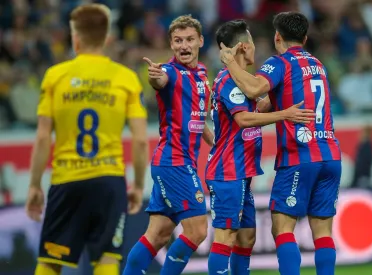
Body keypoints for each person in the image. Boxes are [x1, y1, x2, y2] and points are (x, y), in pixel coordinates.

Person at [25, 4, 148, 275]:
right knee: (106, 260)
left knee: (50, 261)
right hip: (109, 180)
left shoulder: (56, 76)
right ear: (106, 38)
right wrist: (138, 185)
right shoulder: (125, 78)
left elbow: (43, 136)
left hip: (66, 180)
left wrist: (34, 185)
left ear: (75, 37)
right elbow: (140, 141)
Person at [219, 11, 342, 275]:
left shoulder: (281, 63)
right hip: (331, 155)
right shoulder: (319, 64)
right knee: (322, 232)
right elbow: (272, 101)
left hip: (300, 155)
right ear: (305, 38)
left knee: (282, 228)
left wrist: (230, 63)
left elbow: (254, 89)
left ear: (277, 37)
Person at [207, 20, 316, 275]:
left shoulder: (244, 82)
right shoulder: (228, 80)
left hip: (242, 173)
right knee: (225, 237)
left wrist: (283, 93)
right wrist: (285, 114)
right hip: (227, 171)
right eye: (253, 43)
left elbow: (257, 108)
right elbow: (243, 119)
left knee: (246, 239)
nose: (256, 49)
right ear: (245, 46)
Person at [123, 15, 214, 275]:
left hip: (176, 163)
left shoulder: (202, 74)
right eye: (177, 41)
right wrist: (154, 77)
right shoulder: (168, 72)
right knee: (197, 231)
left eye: (189, 40)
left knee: (158, 235)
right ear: (171, 44)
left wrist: (215, 143)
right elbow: (159, 80)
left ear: (200, 41)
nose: (184, 46)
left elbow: (197, 118)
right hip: (174, 162)